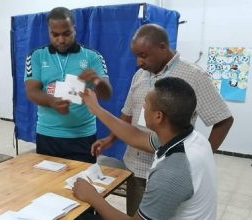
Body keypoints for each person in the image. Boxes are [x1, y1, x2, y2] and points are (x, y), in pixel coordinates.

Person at [91, 23, 233, 215]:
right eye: (136, 56)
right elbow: (132, 126)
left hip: (165, 171)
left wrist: (198, 160)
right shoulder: (140, 76)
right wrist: (110, 136)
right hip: (136, 166)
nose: (138, 62)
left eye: (143, 55)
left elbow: (223, 119)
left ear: (162, 47)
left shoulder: (195, 76)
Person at [74, 77, 217, 220]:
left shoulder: (169, 173)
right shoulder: (194, 139)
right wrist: (96, 109)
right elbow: (135, 137)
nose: (143, 106)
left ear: (158, 116)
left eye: (146, 102)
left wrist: (93, 197)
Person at [24, 7, 112, 163]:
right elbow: (31, 91)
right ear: (48, 31)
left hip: (83, 135)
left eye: (66, 33)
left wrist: (97, 80)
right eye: (55, 35)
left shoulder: (92, 56)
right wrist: (52, 101)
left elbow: (107, 94)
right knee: (47, 183)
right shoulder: (37, 56)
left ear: (74, 29)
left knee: (81, 182)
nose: (61, 40)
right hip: (48, 134)